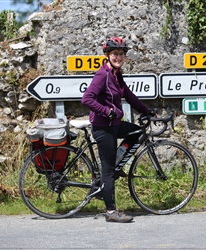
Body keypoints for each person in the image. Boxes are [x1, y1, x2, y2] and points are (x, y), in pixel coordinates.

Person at [81, 37, 154, 223]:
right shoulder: (103, 75)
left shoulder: (116, 74)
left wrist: (146, 111)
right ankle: (111, 212)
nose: (118, 57)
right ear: (107, 55)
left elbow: (128, 95)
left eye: (121, 54)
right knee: (108, 170)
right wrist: (107, 111)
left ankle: (117, 165)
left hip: (113, 124)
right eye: (114, 54)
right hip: (103, 127)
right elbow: (87, 99)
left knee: (137, 132)